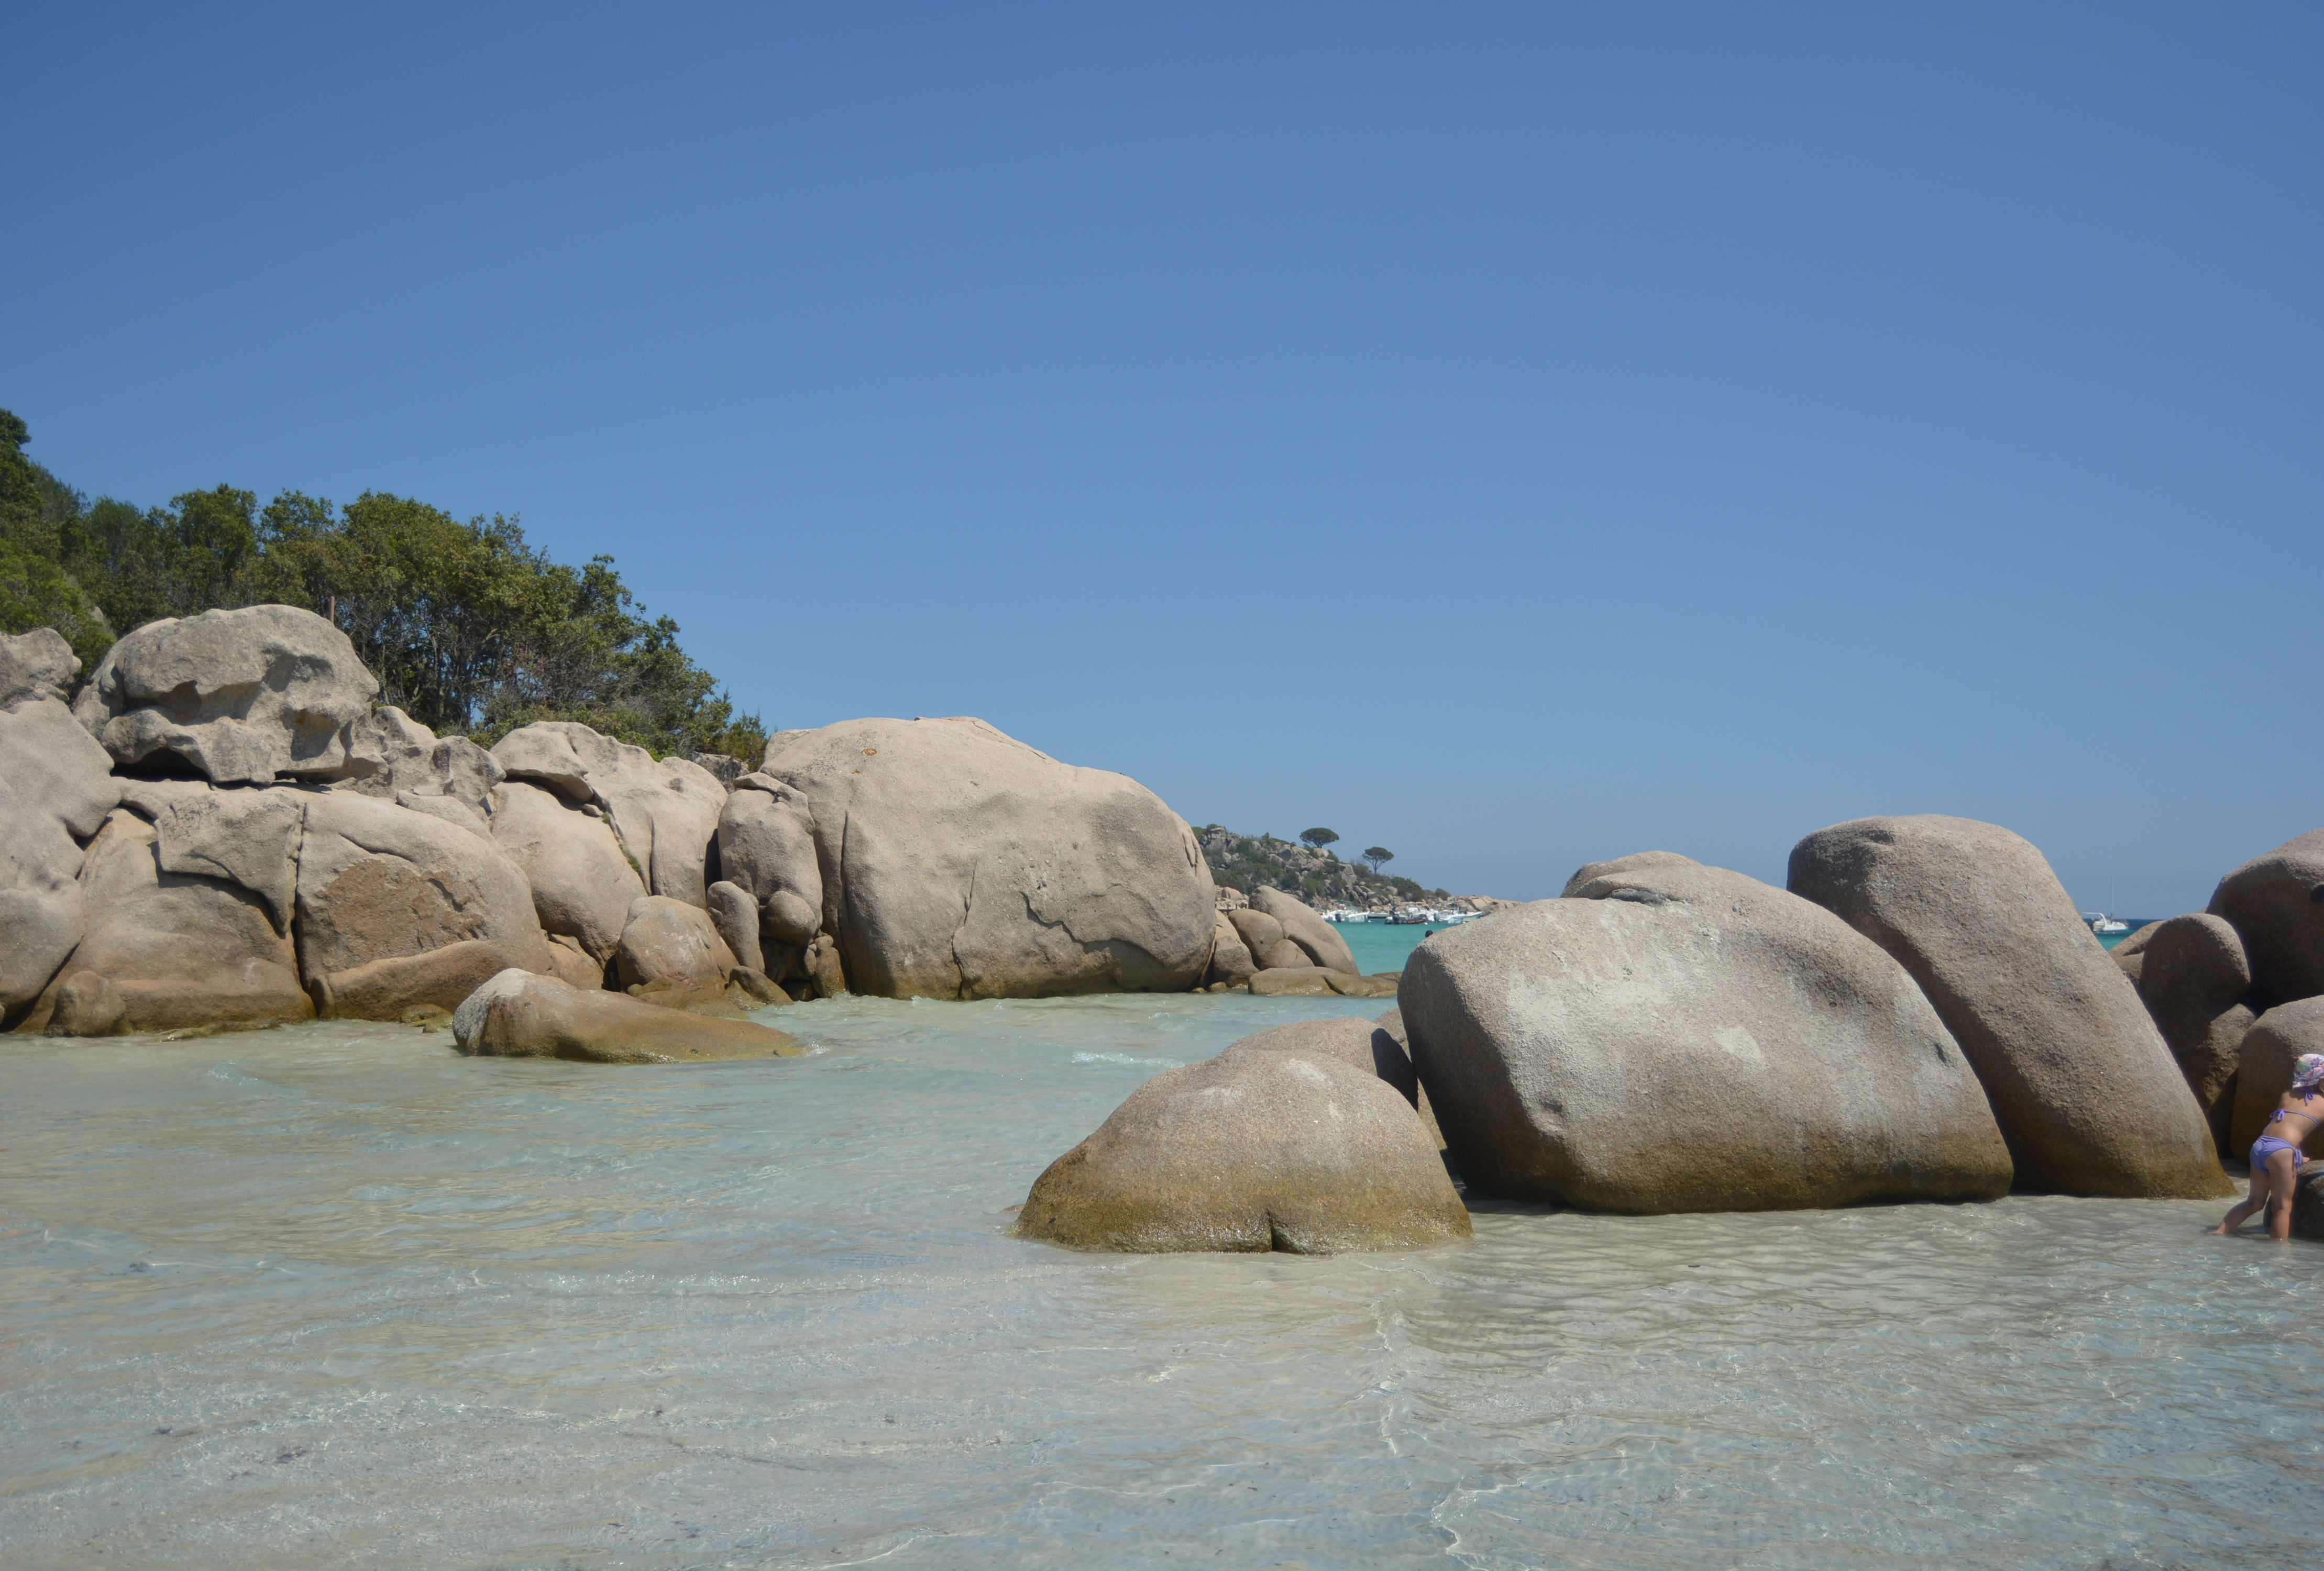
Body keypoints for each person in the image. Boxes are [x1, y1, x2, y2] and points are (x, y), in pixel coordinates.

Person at [2215, 1052, 2324, 1242]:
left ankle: (2219, 1232)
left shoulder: (2287, 1095)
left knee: (2254, 1202)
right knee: (2282, 1207)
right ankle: (2279, 1254)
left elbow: (2289, 1124)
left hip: (2260, 1147)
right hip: (2281, 1152)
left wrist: (2299, 1155)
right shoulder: (2322, 1104)